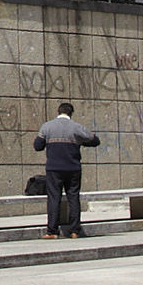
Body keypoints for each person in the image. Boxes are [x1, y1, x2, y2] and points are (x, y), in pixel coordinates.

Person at [31, 102, 99, 240]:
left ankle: (52, 231)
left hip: (54, 169)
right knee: (73, 198)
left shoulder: (47, 126)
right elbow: (95, 140)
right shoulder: (77, 127)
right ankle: (74, 231)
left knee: (54, 198)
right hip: (73, 168)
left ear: (58, 112)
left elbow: (38, 146)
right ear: (71, 113)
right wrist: (80, 142)